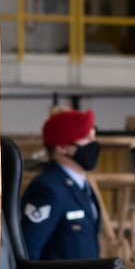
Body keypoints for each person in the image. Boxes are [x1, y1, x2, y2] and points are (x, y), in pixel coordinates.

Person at [21, 108, 103, 259]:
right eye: (86, 137)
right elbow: (29, 251)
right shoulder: (47, 188)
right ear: (62, 147)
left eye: (94, 135)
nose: (94, 142)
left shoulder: (81, 185)